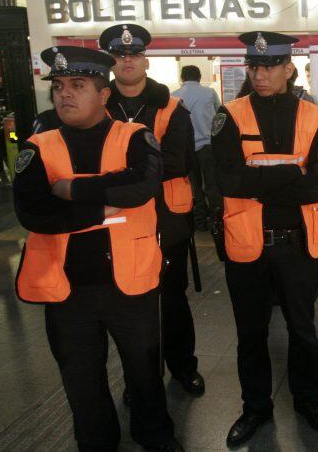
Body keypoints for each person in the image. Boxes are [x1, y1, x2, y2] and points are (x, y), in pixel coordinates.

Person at [13, 45, 181, 451]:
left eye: (78, 84)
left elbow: (142, 186)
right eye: (59, 86)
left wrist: (69, 189)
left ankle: (154, 436)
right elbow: (35, 213)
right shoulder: (37, 146)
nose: (65, 94)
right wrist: (104, 206)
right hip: (66, 290)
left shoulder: (135, 137)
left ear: (104, 94)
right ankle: (97, 443)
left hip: (131, 285)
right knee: (81, 381)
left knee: (144, 373)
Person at [211, 31, 318, 447]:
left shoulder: (314, 117)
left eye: (269, 66)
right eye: (254, 66)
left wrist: (256, 178)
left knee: (302, 328)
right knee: (251, 332)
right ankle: (255, 408)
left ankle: (308, 399)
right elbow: (225, 180)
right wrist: (289, 172)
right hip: (248, 243)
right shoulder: (229, 115)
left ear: (288, 68)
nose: (260, 74)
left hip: (298, 243)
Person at [99, 24, 205, 396]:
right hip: (118, 222)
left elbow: (178, 162)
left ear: (145, 59)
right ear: (112, 62)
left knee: (172, 300)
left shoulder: (171, 107)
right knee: (130, 306)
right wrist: (143, 163)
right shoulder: (101, 104)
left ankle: (183, 367)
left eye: (134, 54)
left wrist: (122, 169)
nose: (127, 61)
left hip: (165, 221)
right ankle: (140, 379)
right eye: (119, 55)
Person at [172, 65, 223, 232]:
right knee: (212, 184)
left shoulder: (173, 97)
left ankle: (200, 221)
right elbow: (219, 116)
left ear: (182, 77)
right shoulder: (209, 93)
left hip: (186, 149)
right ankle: (217, 219)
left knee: (194, 186)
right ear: (199, 77)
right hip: (208, 146)